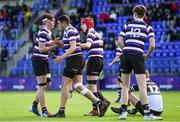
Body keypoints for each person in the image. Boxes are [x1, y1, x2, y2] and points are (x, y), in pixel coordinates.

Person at [51, 15, 108, 118]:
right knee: (78, 86)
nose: (58, 25)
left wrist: (61, 57)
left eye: (59, 23)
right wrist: (60, 44)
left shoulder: (70, 30)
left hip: (74, 59)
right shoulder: (69, 31)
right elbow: (71, 46)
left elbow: (74, 47)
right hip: (77, 59)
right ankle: (99, 103)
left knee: (65, 85)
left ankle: (61, 111)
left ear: (64, 22)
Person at [117, 5, 162, 120]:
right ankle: (147, 114)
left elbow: (120, 41)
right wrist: (146, 56)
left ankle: (123, 113)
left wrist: (125, 50)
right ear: (144, 14)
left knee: (125, 86)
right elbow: (152, 45)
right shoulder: (148, 27)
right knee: (142, 86)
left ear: (134, 13)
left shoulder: (127, 25)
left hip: (125, 55)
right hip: (137, 56)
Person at [29, 13, 59, 117]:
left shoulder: (49, 32)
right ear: (47, 21)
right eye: (53, 21)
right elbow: (42, 49)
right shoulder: (42, 32)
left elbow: (48, 45)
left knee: (47, 85)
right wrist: (53, 46)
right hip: (38, 60)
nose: (54, 22)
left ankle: (33, 105)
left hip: (45, 60)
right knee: (42, 86)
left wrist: (55, 44)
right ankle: (44, 111)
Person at [80, 17, 110, 116]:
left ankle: (98, 107)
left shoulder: (90, 32)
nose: (81, 26)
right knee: (91, 86)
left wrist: (74, 45)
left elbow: (88, 45)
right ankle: (103, 101)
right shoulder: (96, 33)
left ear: (87, 24)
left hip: (95, 59)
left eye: (82, 24)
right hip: (98, 59)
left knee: (91, 86)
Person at [109, 37, 122, 103]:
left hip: (122, 66)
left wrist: (112, 63)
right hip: (126, 65)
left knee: (120, 81)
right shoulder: (124, 47)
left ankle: (122, 97)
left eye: (115, 42)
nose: (115, 43)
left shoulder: (118, 48)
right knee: (119, 80)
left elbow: (117, 58)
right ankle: (121, 97)